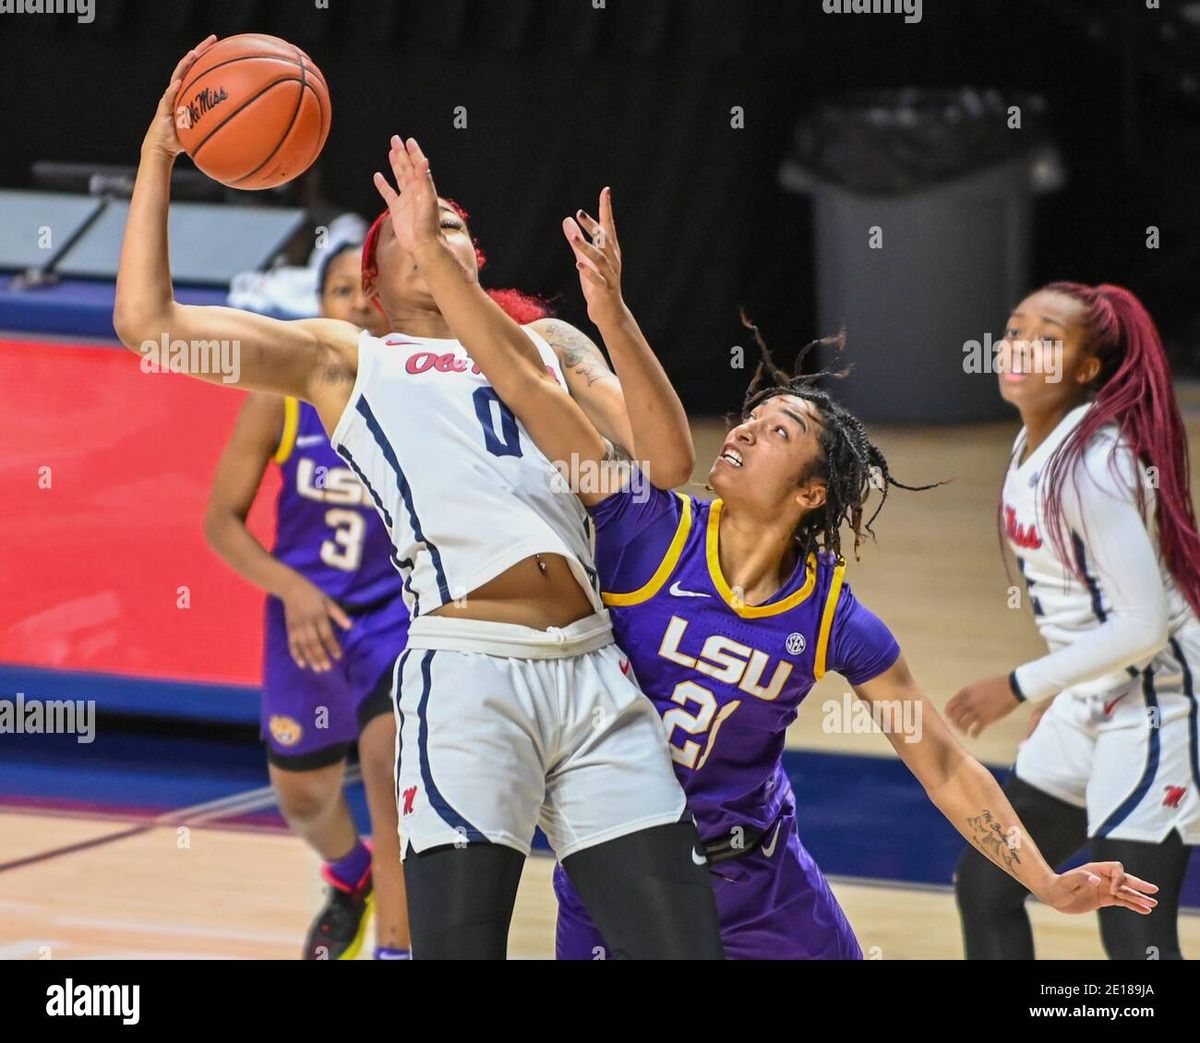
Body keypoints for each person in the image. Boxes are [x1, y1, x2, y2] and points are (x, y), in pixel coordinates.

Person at [372, 140, 1163, 959]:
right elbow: (532, 391)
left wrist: (1043, 878)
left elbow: (943, 764)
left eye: (777, 430)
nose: (745, 428)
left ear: (812, 493)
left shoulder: (831, 617)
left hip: (767, 894)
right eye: (750, 418)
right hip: (621, 881)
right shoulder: (640, 524)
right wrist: (557, 299)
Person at [113, 39, 722, 960]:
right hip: (469, 672)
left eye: (447, 226)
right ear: (373, 285)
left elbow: (668, 461)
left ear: (473, 253)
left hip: (595, 668)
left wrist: (615, 313)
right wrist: (160, 153)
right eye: (408, 228)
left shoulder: (550, 342)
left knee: (685, 950)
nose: (432, 234)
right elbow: (149, 328)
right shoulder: (348, 357)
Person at [948, 282, 1199, 960]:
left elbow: (1144, 622)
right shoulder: (1037, 446)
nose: (1020, 346)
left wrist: (1022, 683)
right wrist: (1066, 686)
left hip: (1155, 705)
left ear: (1087, 370)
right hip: (1094, 694)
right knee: (988, 883)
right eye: (1015, 328)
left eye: (1047, 338)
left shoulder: (1093, 463)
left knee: (1135, 936)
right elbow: (1088, 603)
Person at [205, 241, 409, 960]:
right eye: (340, 290)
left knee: (391, 776)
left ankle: (396, 947)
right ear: (318, 307)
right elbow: (220, 521)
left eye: (369, 289)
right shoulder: (282, 397)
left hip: (397, 619)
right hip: (307, 620)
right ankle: (351, 878)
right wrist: (290, 589)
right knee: (302, 797)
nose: (357, 302)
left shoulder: (420, 386)